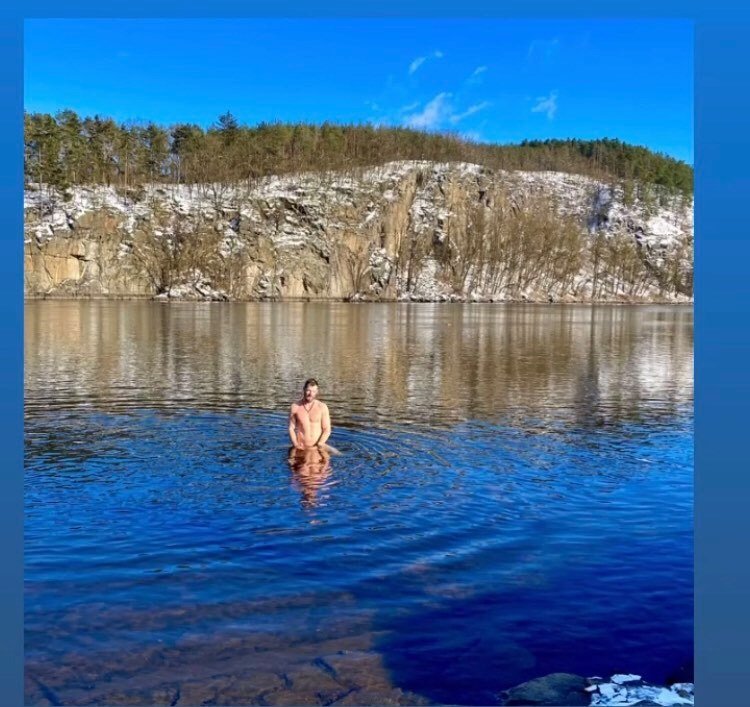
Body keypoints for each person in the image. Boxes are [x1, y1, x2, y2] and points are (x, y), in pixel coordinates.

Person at [288, 378, 332, 451]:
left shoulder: (322, 407)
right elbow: (291, 428)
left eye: (313, 391)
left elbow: (327, 429)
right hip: (300, 447)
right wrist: (295, 444)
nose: (310, 394)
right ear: (304, 389)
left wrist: (320, 444)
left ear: (317, 392)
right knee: (290, 461)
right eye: (308, 390)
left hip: (318, 446)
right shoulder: (295, 407)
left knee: (340, 455)